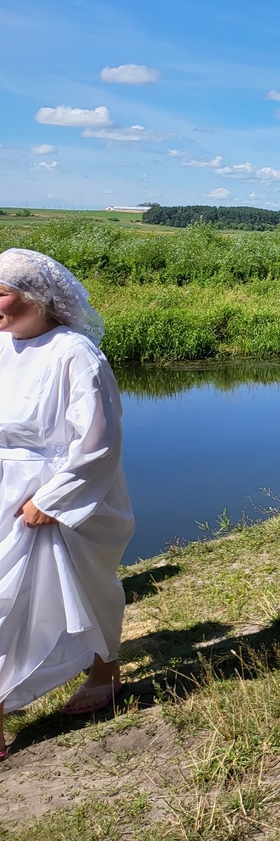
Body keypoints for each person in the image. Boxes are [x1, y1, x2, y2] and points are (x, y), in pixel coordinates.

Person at [0, 249, 135, 760]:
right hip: (4, 488)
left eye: (0, 292)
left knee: (75, 591)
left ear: (36, 297)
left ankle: (103, 668)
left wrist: (53, 500)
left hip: (57, 495)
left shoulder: (75, 353)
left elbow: (100, 439)